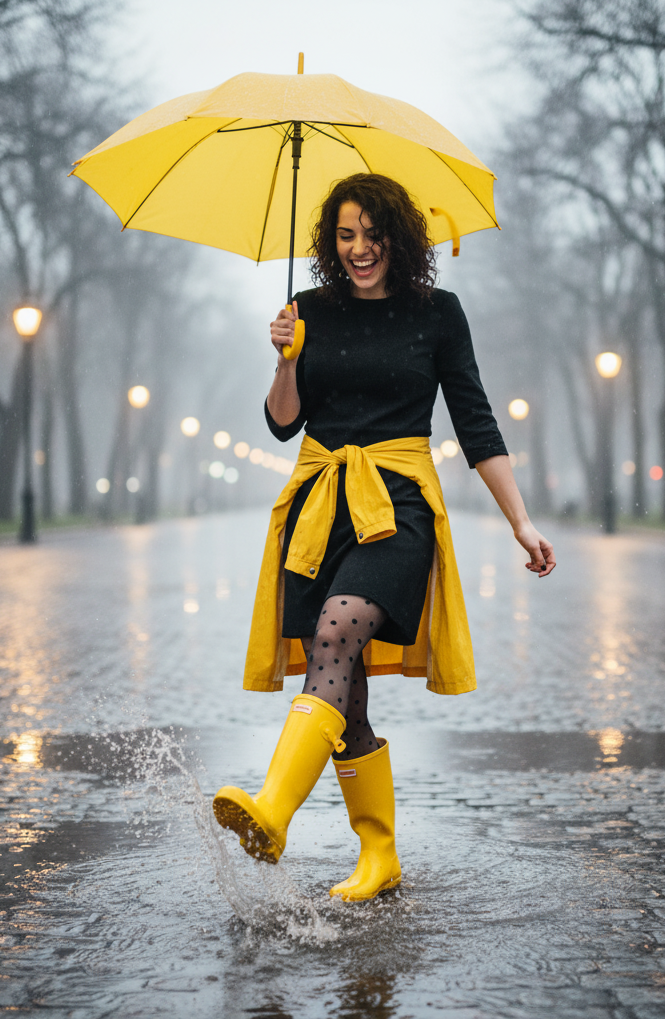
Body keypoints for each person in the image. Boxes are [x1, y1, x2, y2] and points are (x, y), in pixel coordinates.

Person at [213, 173, 556, 902]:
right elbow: (282, 423)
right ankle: (379, 856)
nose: (359, 248)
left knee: (337, 631)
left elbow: (475, 421)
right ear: (329, 243)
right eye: (345, 235)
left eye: (371, 233)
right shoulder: (307, 309)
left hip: (398, 506)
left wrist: (520, 521)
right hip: (320, 507)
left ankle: (273, 808)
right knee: (346, 692)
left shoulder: (437, 313)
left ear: (398, 236)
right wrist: (285, 357)